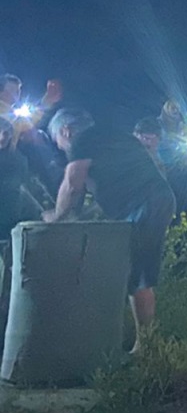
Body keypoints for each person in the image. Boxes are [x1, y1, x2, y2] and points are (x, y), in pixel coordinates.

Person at [44, 108, 176, 353]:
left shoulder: (83, 139)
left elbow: (73, 183)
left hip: (144, 205)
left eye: (58, 142)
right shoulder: (112, 137)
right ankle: (143, 344)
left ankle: (145, 348)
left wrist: (56, 218)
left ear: (66, 131)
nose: (62, 148)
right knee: (138, 272)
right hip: (156, 200)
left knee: (137, 275)